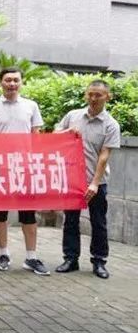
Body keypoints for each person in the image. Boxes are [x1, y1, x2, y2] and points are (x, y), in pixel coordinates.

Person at [0, 67, 49, 275]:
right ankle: (4, 254)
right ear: (0, 82)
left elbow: (37, 137)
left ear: (21, 82)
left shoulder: (31, 106)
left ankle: (31, 257)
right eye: (8, 80)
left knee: (28, 214)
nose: (12, 84)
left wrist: (38, 165)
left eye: (16, 80)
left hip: (24, 168)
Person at [54, 80, 121, 279]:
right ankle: (70, 259)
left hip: (96, 182)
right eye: (90, 94)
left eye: (98, 95)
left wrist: (94, 183)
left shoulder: (111, 124)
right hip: (72, 180)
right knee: (70, 221)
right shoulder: (73, 116)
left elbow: (104, 155)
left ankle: (99, 261)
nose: (93, 98)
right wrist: (68, 131)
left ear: (107, 97)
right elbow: (55, 135)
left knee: (98, 223)